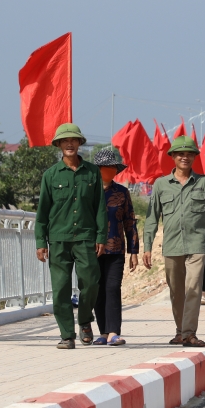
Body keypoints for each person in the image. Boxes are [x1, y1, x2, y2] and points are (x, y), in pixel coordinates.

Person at [143, 135, 205, 347]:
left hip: (196, 246)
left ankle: (189, 333)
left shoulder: (203, 182)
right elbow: (152, 217)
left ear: (194, 157)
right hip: (172, 246)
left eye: (189, 153)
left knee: (193, 289)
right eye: (180, 153)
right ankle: (180, 330)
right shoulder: (162, 184)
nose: (185, 157)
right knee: (176, 292)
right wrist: (147, 247)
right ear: (172, 156)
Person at [36, 123, 108, 349]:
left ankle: (85, 321)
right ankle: (67, 334)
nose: (69, 143)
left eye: (74, 140)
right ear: (58, 145)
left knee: (91, 283)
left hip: (86, 238)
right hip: (58, 240)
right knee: (61, 288)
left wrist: (101, 237)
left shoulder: (92, 172)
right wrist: (40, 241)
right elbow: (42, 212)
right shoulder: (50, 175)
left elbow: (100, 208)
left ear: (79, 143)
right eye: (65, 141)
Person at [91, 147, 138, 347]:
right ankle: (102, 332)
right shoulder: (87, 193)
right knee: (97, 290)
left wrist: (133, 251)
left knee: (112, 288)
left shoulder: (122, 193)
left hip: (116, 249)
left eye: (111, 168)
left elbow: (130, 222)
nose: (107, 171)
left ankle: (113, 332)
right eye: (103, 167)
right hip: (91, 251)